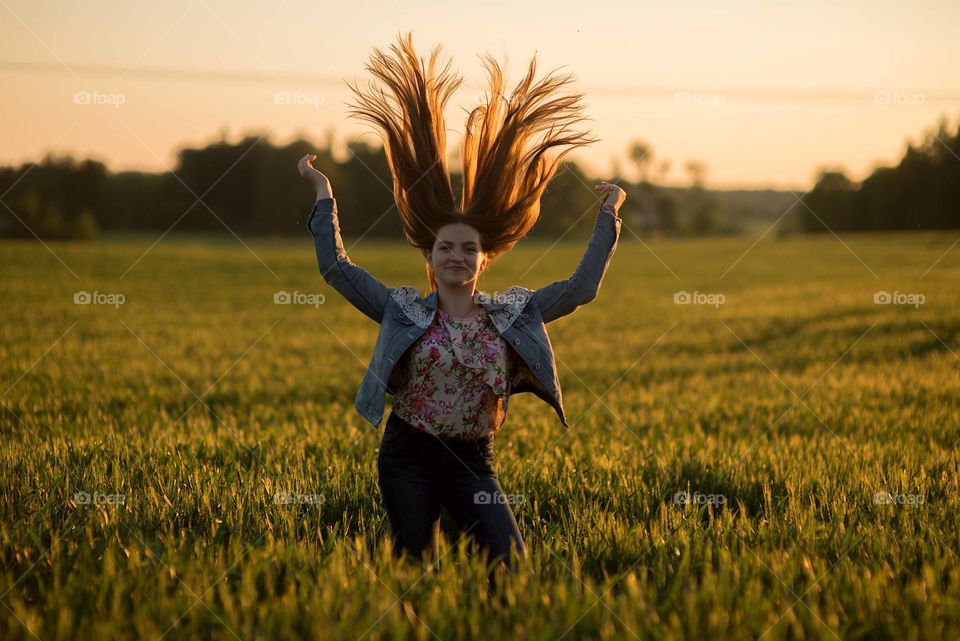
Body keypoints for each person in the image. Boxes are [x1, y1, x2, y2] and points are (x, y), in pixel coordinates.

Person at [297, 32, 626, 589]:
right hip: (408, 455)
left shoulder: (513, 314)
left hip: (476, 459)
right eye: (446, 247)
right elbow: (337, 269)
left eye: (468, 248)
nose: (456, 255)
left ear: (483, 256)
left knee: (510, 564)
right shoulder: (401, 309)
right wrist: (323, 192)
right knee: (414, 570)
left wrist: (610, 213)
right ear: (430, 255)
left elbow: (581, 288)